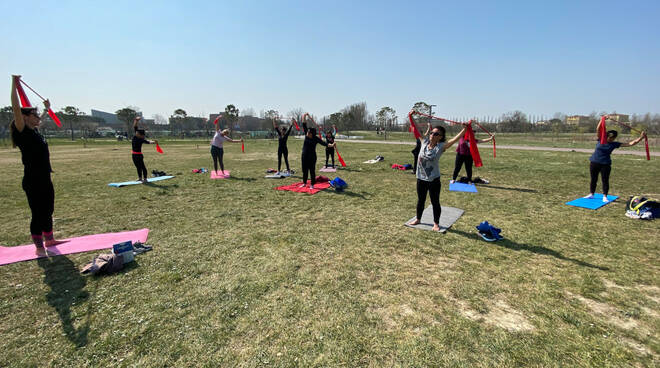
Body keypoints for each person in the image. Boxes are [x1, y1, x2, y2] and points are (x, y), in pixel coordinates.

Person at [9, 75, 59, 251]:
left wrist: (47, 109)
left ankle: (50, 239)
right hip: (32, 179)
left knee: (48, 209)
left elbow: (40, 120)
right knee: (38, 213)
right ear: (24, 117)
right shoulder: (22, 131)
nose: (38, 117)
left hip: (45, 177)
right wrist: (14, 84)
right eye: (34, 114)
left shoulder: (35, 131)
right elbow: (16, 108)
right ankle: (39, 247)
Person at [408, 123, 467, 232]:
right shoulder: (424, 142)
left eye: (436, 134)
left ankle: (436, 223)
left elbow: (454, 139)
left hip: (433, 179)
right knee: (421, 200)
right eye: (431, 133)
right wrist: (411, 116)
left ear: (440, 137)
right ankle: (418, 219)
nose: (432, 135)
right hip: (421, 178)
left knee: (435, 201)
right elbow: (416, 129)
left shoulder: (441, 146)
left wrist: (464, 129)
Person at [585, 120, 646, 202]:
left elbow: (630, 144)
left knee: (605, 180)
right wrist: (602, 119)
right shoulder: (601, 139)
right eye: (609, 137)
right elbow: (598, 129)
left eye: (611, 138)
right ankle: (591, 194)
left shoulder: (614, 144)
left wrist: (641, 138)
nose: (609, 139)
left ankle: (605, 196)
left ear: (614, 138)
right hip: (594, 162)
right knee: (593, 179)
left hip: (605, 164)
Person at [301, 121, 335, 189]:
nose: (307, 133)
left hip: (312, 157)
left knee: (312, 171)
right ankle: (304, 183)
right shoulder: (306, 135)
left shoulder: (316, 138)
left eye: (309, 132)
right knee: (304, 170)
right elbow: (304, 124)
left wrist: (331, 145)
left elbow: (324, 143)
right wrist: (304, 116)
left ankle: (312, 184)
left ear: (312, 133)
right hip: (304, 156)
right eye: (307, 132)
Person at [132, 117, 158, 183]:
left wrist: (154, 142)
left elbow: (148, 142)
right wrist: (136, 120)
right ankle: (140, 178)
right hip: (133, 155)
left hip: (139, 155)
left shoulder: (141, 139)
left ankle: (145, 179)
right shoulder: (136, 136)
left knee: (142, 167)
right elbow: (135, 126)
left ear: (141, 135)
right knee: (138, 167)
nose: (136, 133)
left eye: (137, 133)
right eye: (136, 132)